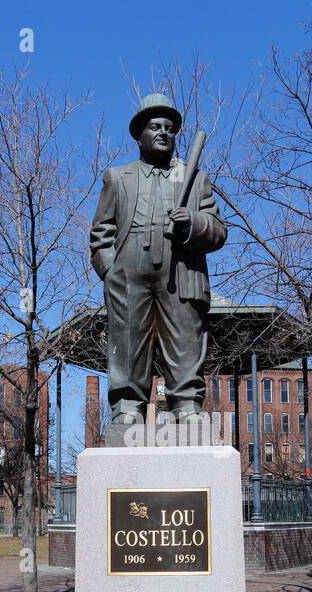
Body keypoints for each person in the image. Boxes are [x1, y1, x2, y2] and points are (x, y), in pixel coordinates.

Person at [89, 92, 227, 425]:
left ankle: (187, 406)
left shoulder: (194, 178)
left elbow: (218, 231)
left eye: (169, 127)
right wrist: (111, 272)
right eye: (155, 126)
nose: (164, 132)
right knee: (129, 339)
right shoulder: (117, 178)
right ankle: (127, 406)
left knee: (184, 337)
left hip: (179, 271)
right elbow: (100, 234)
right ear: (139, 134)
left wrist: (192, 222)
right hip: (128, 274)